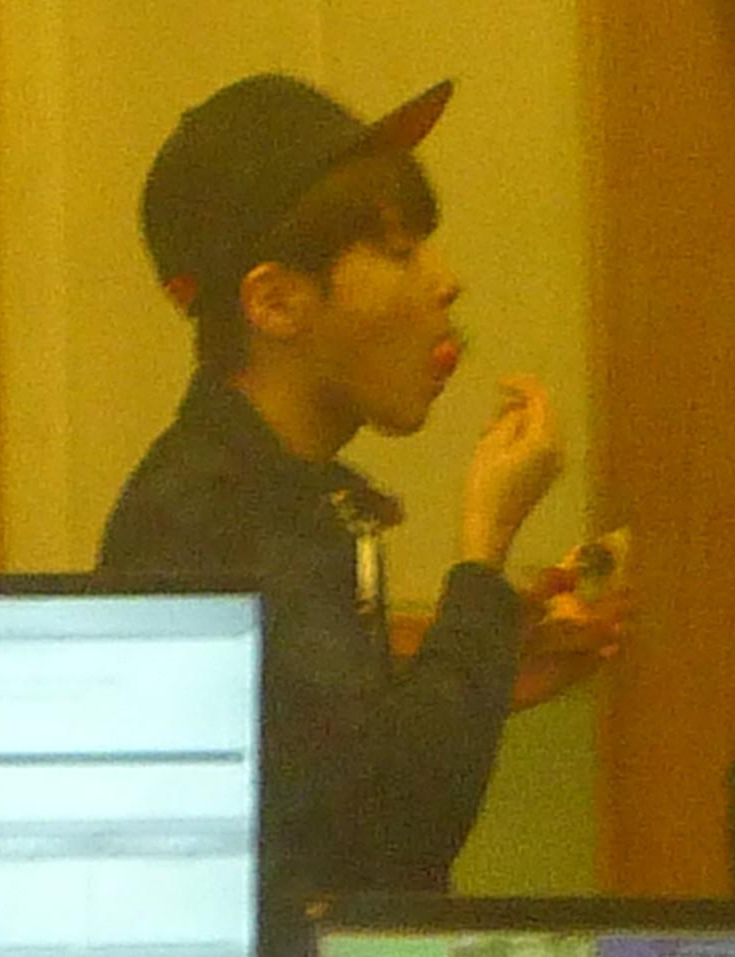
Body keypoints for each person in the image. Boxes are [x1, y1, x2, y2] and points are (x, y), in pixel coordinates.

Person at [98, 74, 622, 954]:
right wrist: (482, 553)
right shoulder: (202, 519)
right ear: (275, 302)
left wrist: (489, 670)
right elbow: (394, 832)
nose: (445, 281)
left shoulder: (288, 493)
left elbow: (331, 768)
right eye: (400, 251)